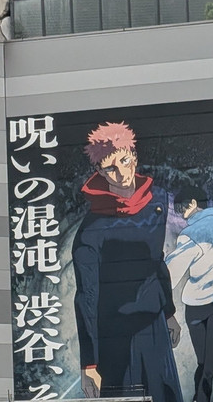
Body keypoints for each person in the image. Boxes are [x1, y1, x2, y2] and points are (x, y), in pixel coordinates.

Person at [72, 122, 183, 402]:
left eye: (124, 160)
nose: (122, 173)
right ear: (99, 172)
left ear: (133, 156)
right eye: (111, 168)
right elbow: (86, 297)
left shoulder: (157, 200)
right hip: (114, 335)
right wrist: (89, 363)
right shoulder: (91, 231)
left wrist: (168, 312)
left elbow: (156, 260)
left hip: (153, 324)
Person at [165, 186, 213, 402]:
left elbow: (170, 274)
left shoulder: (191, 234)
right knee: (209, 368)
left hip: (197, 308)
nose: (178, 212)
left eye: (180, 207)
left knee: (203, 365)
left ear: (193, 203)